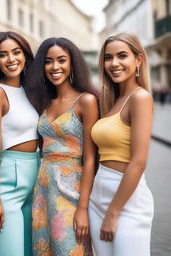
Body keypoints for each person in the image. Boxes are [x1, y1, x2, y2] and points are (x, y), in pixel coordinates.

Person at [25, 37, 98, 255]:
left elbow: (90, 158)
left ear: (72, 63)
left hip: (72, 188)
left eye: (61, 60)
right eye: (49, 61)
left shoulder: (86, 101)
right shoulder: (43, 102)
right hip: (43, 189)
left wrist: (83, 208)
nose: (55, 67)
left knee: (70, 248)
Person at [89, 33, 154, 256]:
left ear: (138, 60)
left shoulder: (140, 97)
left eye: (122, 56)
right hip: (97, 197)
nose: (114, 63)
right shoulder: (112, 100)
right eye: (108, 57)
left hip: (126, 201)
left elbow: (138, 162)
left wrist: (114, 212)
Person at [0, 31, 39, 256]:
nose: (11, 59)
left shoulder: (31, 91)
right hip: (8, 182)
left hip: (34, 178)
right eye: (3, 55)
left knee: (30, 251)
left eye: (16, 52)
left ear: (25, 55)